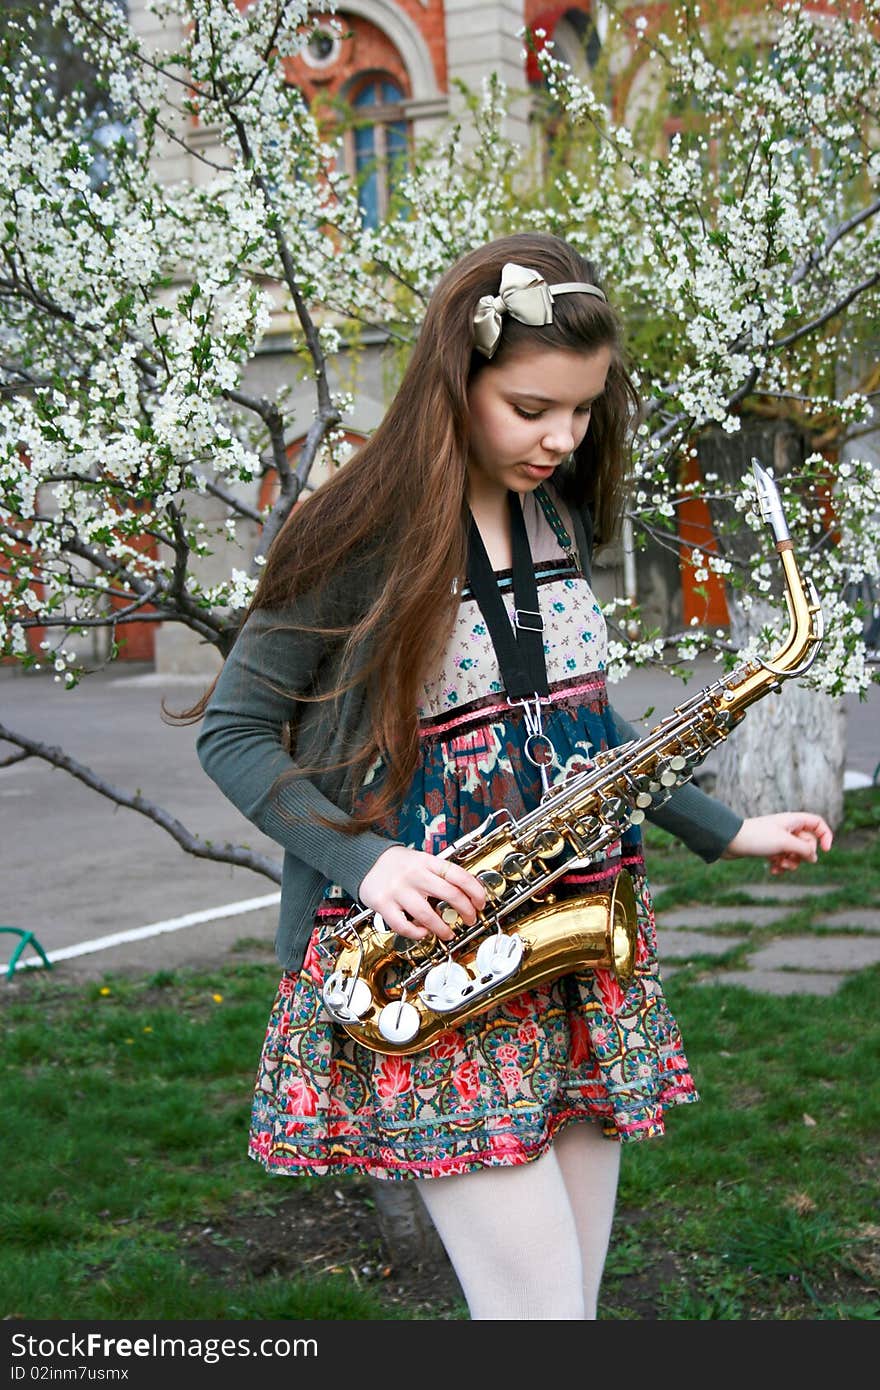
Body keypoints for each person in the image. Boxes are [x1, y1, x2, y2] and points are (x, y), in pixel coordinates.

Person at [191, 233, 833, 1321]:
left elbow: (580, 728)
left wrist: (723, 829)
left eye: (581, 410)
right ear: (458, 379)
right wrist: (370, 859)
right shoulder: (354, 527)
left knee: (563, 1310)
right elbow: (236, 730)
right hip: (434, 966)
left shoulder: (550, 511)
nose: (561, 437)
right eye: (532, 406)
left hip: (567, 948)